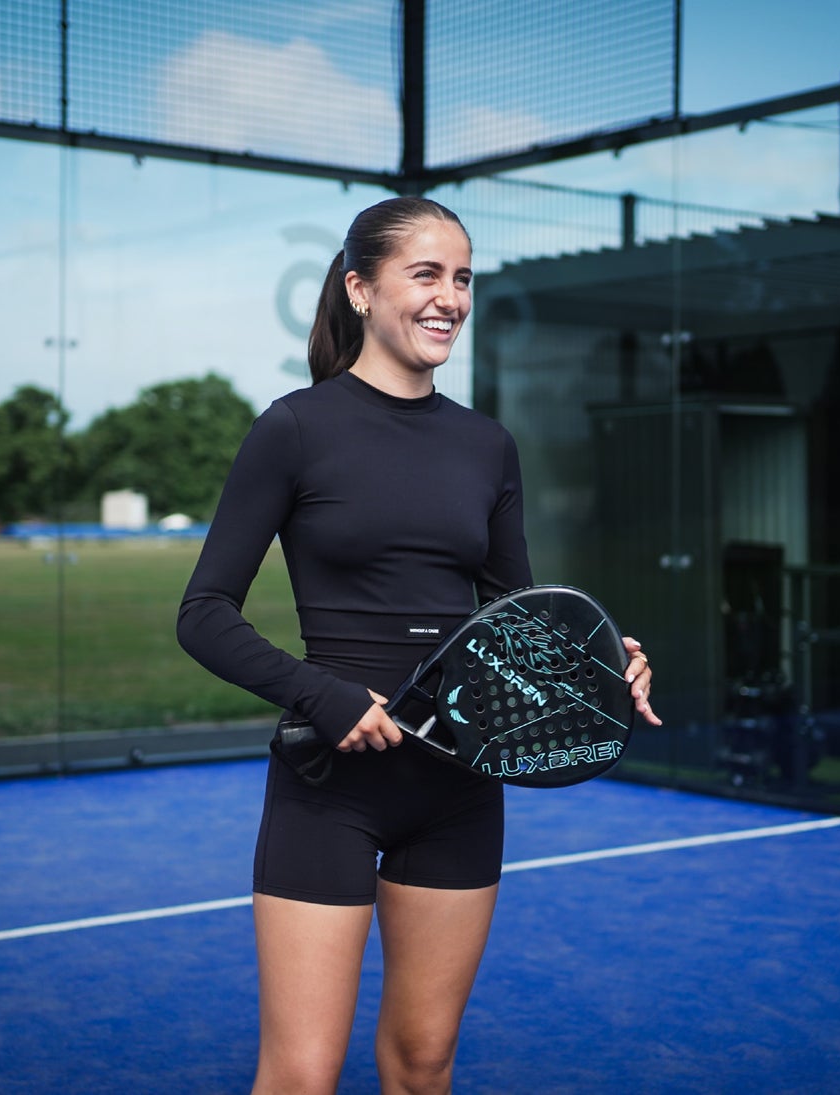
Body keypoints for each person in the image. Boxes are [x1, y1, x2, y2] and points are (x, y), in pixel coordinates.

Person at [177, 195, 659, 1094]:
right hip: (329, 789)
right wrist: (324, 697)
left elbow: (518, 622)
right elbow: (203, 612)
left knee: (423, 1064)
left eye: (464, 278)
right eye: (427, 274)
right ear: (361, 289)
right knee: (301, 1074)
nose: (452, 298)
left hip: (459, 790)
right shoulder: (294, 428)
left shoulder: (487, 445)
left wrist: (603, 664)